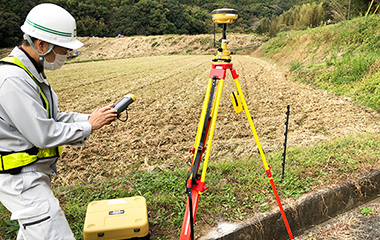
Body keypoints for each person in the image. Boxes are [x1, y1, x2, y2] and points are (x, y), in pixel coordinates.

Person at [0, 3, 117, 239]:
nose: (66, 55)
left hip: (30, 175)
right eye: (63, 49)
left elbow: (55, 118)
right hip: (20, 180)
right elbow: (43, 134)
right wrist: (89, 125)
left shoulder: (30, 72)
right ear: (42, 44)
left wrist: (92, 118)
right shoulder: (13, 79)